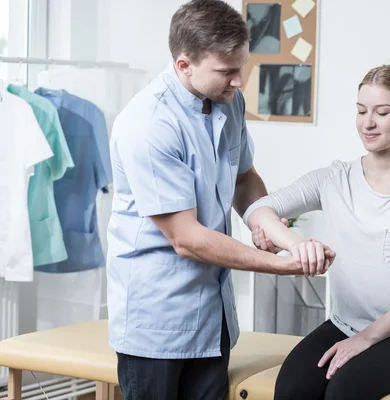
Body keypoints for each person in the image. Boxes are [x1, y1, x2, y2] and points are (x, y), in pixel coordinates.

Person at [105, 1, 335, 399]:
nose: (239, 81)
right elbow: (187, 238)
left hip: (213, 318)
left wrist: (283, 236)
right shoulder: (148, 125)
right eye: (227, 71)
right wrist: (280, 266)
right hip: (157, 321)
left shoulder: (230, 104)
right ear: (184, 65)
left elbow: (244, 179)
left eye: (241, 67)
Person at [244, 64, 390, 400]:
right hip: (344, 325)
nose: (367, 123)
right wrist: (294, 244)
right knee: (291, 390)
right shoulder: (335, 179)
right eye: (361, 111)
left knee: (344, 392)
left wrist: (366, 338)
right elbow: (258, 210)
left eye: (382, 112)